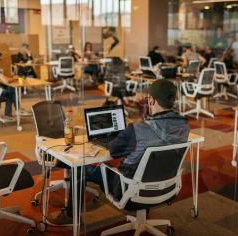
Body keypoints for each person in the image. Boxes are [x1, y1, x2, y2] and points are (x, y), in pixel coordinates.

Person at [56, 79, 190, 224]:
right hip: (166, 189)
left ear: (151, 101)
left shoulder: (137, 130)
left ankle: (70, 216)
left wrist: (124, 134)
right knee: (144, 164)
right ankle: (146, 209)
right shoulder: (184, 126)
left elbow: (113, 150)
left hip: (129, 191)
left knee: (80, 169)